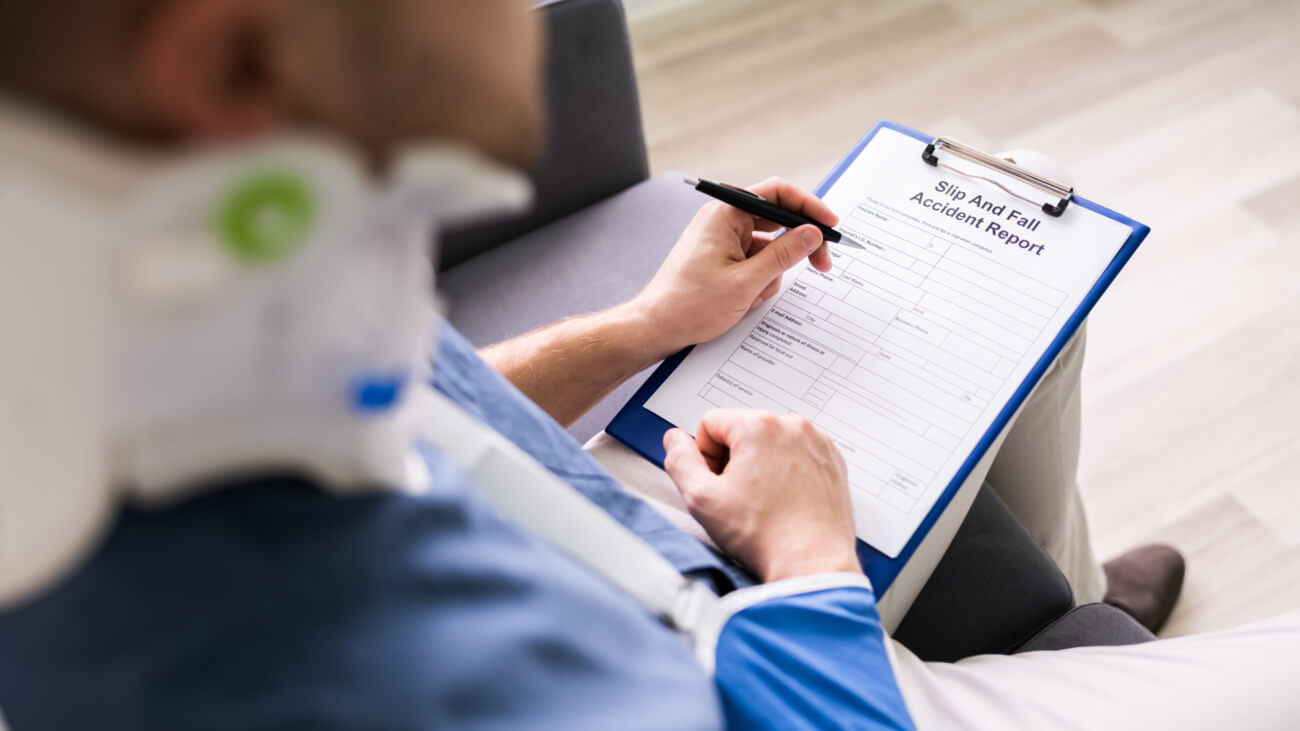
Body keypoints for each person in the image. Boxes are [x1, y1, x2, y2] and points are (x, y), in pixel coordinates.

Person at [0, 0, 1296, 729]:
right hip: (791, 682)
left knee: (1033, 316)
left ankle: (1063, 624)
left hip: (666, 585)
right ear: (236, 54)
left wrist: (642, 329)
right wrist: (809, 568)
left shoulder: (169, 278)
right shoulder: (339, 673)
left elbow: (410, 428)